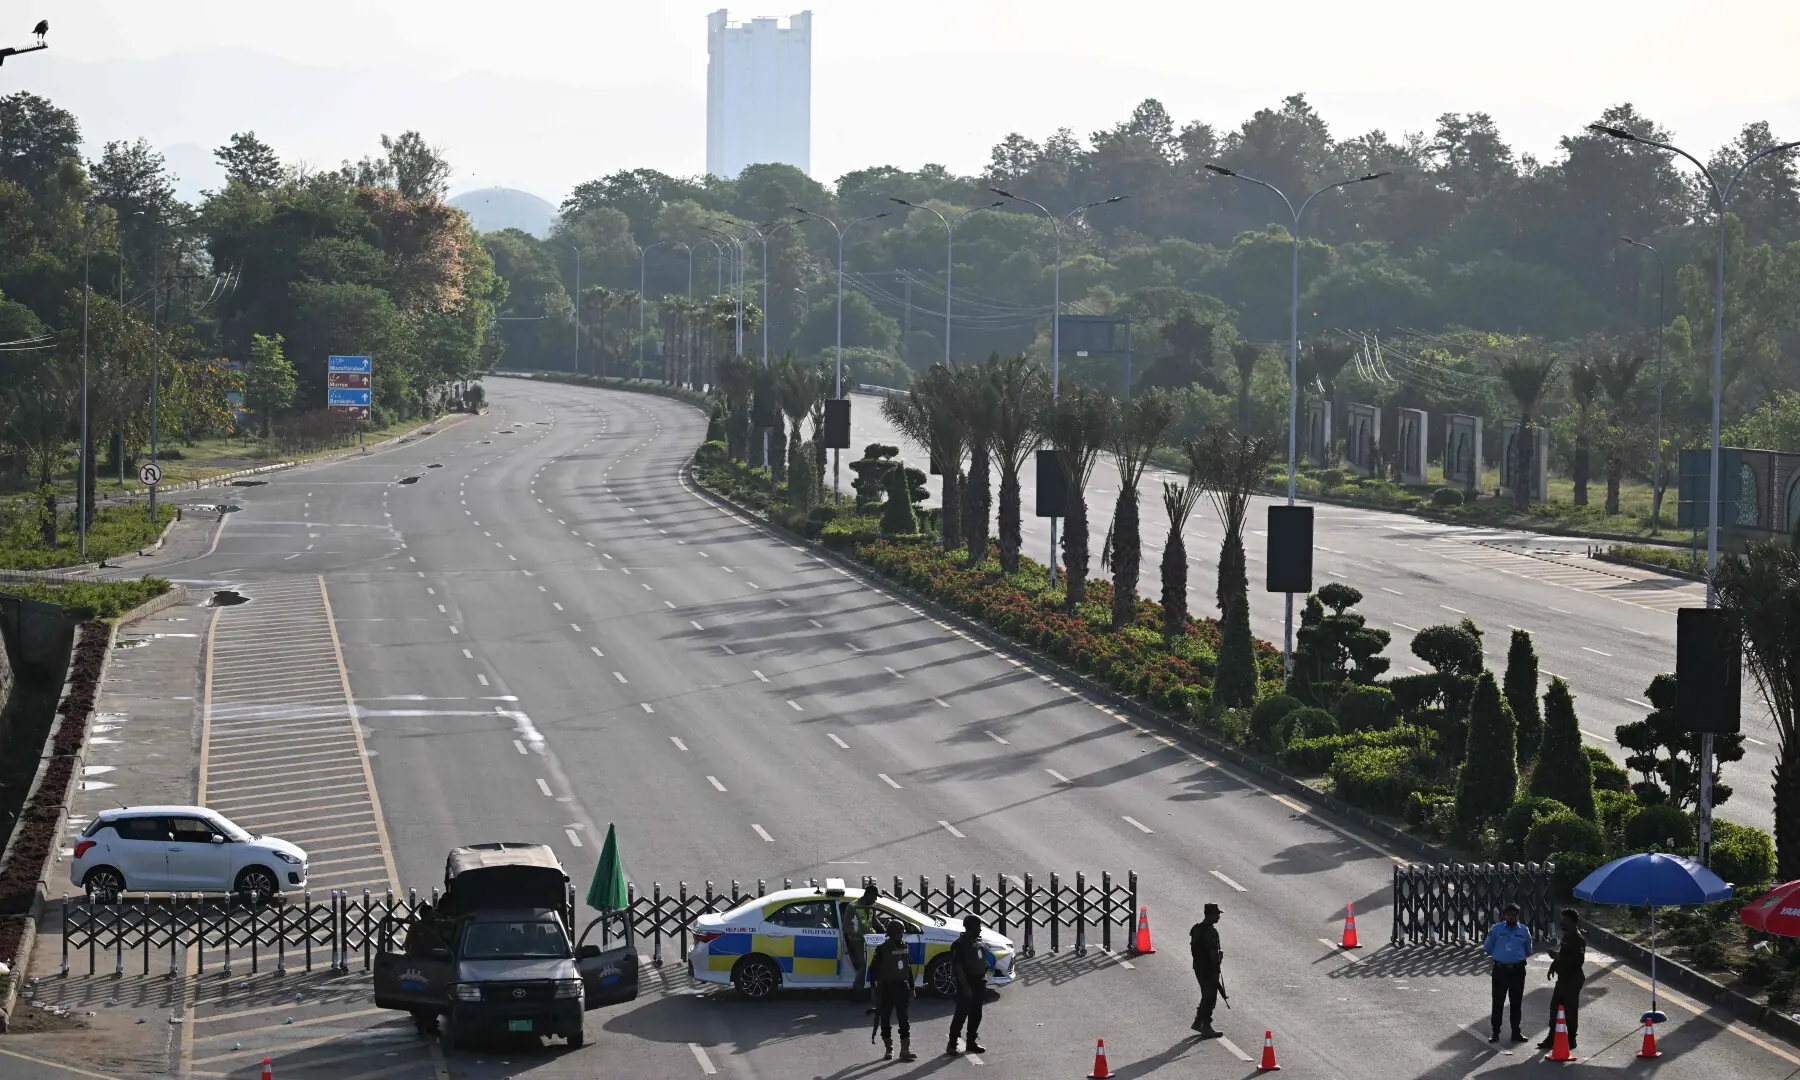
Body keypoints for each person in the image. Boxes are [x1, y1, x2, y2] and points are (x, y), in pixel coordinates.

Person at [1482, 902, 1533, 1043]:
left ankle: (1516, 1032)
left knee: (1516, 1002)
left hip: (1517, 971)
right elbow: (1487, 947)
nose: (1512, 918)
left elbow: (1528, 949)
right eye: (1509, 915)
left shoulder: (1524, 930)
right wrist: (1500, 956)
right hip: (1500, 970)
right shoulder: (1496, 929)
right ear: (1504, 916)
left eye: (1514, 916)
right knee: (1498, 1002)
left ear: (1518, 916)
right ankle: (1495, 1032)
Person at [871, 917, 917, 1062]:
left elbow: (908, 969)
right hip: (886, 988)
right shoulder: (881, 949)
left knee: (903, 1018)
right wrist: (874, 989)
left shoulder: (905, 946)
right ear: (891, 933)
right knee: (885, 1018)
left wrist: (912, 987)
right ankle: (888, 1048)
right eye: (899, 932)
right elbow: (873, 970)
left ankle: (905, 1050)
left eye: (902, 932)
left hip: (902, 987)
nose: (902, 934)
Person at [1540, 908, 1585, 1052]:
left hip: (1573, 979)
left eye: (1564, 919)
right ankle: (1551, 1038)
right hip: (1563, 978)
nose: (1562, 922)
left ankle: (1571, 1039)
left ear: (1572, 921)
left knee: (1570, 1010)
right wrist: (1553, 966)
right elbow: (1562, 953)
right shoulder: (1567, 936)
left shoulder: (1578, 939)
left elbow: (1577, 962)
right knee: (1555, 1008)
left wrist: (1557, 957)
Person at [945, 915, 988, 1056]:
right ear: (971, 927)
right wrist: (965, 987)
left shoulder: (978, 941)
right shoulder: (960, 944)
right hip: (967, 982)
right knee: (961, 1014)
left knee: (976, 1014)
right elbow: (957, 968)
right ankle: (952, 1043)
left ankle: (971, 1042)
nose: (980, 929)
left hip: (979, 982)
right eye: (978, 926)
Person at [1189, 902, 1225, 1038]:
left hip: (1198, 966)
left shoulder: (1196, 929)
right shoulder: (1211, 932)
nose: (1218, 917)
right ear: (1210, 914)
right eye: (1217, 914)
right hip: (1209, 968)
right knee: (1210, 997)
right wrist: (1217, 968)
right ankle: (1206, 1025)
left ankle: (1198, 1022)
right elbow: (1213, 954)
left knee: (1206, 994)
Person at [847, 884, 878, 1002]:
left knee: (876, 964)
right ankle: (856, 992)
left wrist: (885, 931)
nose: (876, 900)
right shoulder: (852, 907)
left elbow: (874, 921)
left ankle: (873, 991)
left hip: (871, 939)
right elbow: (846, 928)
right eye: (874, 896)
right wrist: (860, 935)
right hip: (857, 940)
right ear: (868, 895)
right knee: (864, 965)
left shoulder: (872, 905)